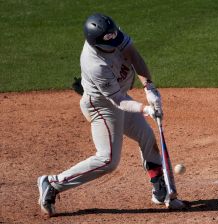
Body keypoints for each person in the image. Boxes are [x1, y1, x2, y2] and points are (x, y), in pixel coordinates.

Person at [37, 13, 185, 217]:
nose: (116, 43)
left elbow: (134, 55)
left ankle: (160, 190)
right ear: (96, 43)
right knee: (108, 160)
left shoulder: (111, 35)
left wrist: (149, 87)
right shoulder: (94, 64)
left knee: (147, 137)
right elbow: (118, 101)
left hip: (120, 97)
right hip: (103, 106)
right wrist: (146, 109)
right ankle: (52, 184)